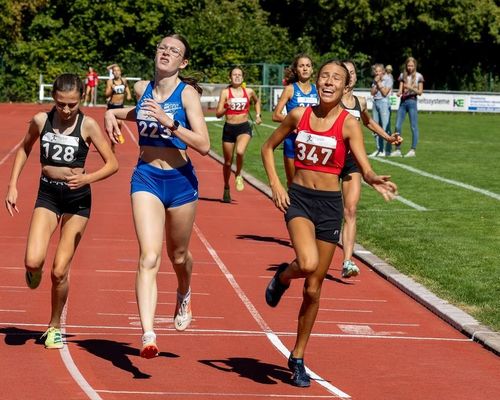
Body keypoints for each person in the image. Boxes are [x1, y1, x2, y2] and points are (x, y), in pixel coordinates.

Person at [261, 60, 397, 387]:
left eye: (336, 78)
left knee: (313, 288)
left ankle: (297, 356)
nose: (328, 82)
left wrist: (373, 177)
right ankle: (283, 275)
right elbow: (268, 147)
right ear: (317, 81)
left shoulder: (349, 124)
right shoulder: (299, 115)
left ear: (345, 87)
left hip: (329, 206)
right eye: (325, 76)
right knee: (306, 264)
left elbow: (363, 166)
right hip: (300, 200)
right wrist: (277, 186)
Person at [104, 34, 210, 359]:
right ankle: (149, 333)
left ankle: (184, 291)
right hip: (146, 177)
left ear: (183, 62)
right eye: (163, 48)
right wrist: (114, 115)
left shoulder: (187, 94)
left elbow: (204, 145)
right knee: (149, 257)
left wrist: (171, 122)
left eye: (174, 51)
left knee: (178, 256)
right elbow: (141, 112)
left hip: (180, 180)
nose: (166, 53)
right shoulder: (141, 89)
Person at [4, 73, 118, 349]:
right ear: (53, 99)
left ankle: (54, 326)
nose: (66, 110)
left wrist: (87, 178)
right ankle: (34, 271)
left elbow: (112, 163)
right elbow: (24, 149)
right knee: (33, 262)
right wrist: (13, 185)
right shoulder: (41, 121)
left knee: (59, 271)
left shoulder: (88, 125)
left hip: (78, 201)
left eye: (72, 105)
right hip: (48, 194)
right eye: (61, 104)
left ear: (81, 100)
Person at [339, 60, 402, 278]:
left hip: (352, 162)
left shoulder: (360, 102)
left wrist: (388, 137)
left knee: (351, 210)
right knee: (324, 212)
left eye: (353, 72)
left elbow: (368, 122)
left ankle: (347, 261)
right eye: (345, 72)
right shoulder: (330, 101)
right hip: (328, 161)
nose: (350, 75)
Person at [215, 67, 261, 203]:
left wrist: (258, 115)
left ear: (243, 77)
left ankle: (239, 174)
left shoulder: (249, 91)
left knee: (240, 152)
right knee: (228, 163)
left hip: (243, 127)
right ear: (230, 77)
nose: (237, 77)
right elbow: (218, 114)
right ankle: (226, 187)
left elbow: (257, 101)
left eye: (239, 75)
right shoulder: (225, 92)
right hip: (229, 128)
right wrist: (226, 107)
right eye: (234, 75)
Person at [272, 54, 318, 186]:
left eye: (308, 66)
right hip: (292, 142)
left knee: (310, 183)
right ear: (296, 70)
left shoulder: (318, 91)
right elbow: (276, 115)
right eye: (301, 66)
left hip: (312, 143)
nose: (305, 69)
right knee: (292, 183)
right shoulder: (290, 89)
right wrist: (294, 123)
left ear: (312, 69)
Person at [392, 57, 424, 157]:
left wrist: (410, 88)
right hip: (403, 102)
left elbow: (420, 92)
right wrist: (398, 93)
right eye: (408, 65)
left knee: (413, 126)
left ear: (415, 66)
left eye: (412, 66)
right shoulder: (403, 75)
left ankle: (413, 150)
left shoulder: (419, 76)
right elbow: (400, 90)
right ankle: (397, 149)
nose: (410, 67)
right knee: (397, 126)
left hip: (412, 101)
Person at [104, 64, 132, 151]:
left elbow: (126, 88)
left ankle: (118, 133)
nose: (116, 72)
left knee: (119, 123)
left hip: (120, 106)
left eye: (118, 70)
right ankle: (112, 142)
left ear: (120, 72)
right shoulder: (110, 82)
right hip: (112, 106)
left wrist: (129, 94)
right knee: (110, 127)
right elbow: (106, 94)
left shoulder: (124, 80)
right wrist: (112, 89)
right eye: (114, 71)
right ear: (113, 73)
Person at [369, 63, 393, 156]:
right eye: (376, 71)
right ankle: (379, 149)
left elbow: (384, 93)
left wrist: (378, 82)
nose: (377, 73)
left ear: (383, 71)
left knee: (385, 128)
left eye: (379, 71)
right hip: (375, 103)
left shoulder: (388, 79)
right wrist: (375, 83)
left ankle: (387, 150)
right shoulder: (375, 80)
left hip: (384, 102)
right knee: (375, 127)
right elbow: (372, 93)